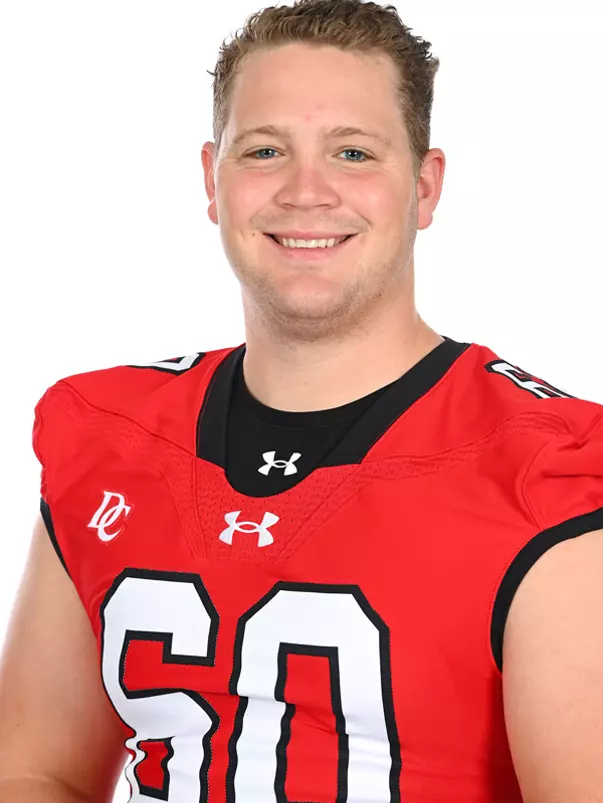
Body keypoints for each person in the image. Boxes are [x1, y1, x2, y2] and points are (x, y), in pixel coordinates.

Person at [1, 0, 603, 800]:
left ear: (423, 190)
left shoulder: (543, 467)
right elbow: (33, 769)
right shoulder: (107, 432)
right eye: (265, 150)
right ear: (211, 181)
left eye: (352, 152)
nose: (305, 190)